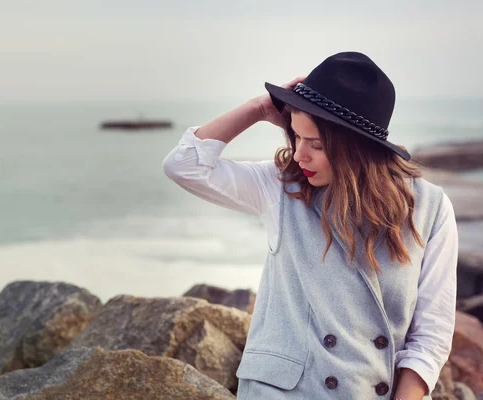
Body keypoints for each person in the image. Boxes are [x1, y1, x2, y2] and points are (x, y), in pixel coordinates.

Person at [162, 52, 457, 400]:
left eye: (315, 144)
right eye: (295, 137)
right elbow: (184, 166)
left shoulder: (429, 208)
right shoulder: (280, 187)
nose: (300, 155)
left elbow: (431, 333)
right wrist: (257, 109)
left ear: (359, 149)